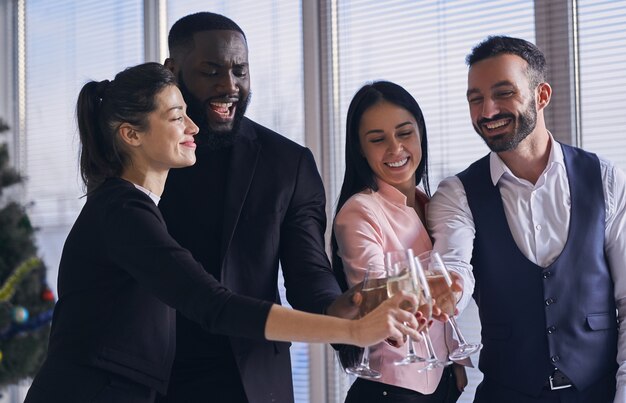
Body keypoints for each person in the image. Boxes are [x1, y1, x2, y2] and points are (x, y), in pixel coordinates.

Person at [22, 62, 421, 403]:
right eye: (177, 116)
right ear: (132, 134)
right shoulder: (123, 211)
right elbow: (215, 306)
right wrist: (352, 331)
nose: (193, 125)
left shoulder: (133, 205)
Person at [156, 11, 353, 403]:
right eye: (211, 71)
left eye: (239, 71)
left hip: (252, 378)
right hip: (156, 373)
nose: (229, 86)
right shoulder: (144, 156)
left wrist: (342, 308)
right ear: (173, 72)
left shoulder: (288, 163)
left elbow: (308, 272)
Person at [427, 35, 626, 402]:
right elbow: (455, 262)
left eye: (503, 93)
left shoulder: (605, 179)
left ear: (542, 95)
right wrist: (450, 284)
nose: (487, 111)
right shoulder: (457, 194)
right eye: (475, 99)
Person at [331, 80, 471, 403]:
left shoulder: (430, 205)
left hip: (442, 384)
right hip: (391, 391)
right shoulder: (359, 212)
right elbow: (374, 299)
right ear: (360, 150)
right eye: (378, 139)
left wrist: (457, 362)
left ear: (420, 132)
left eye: (405, 133)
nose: (395, 149)